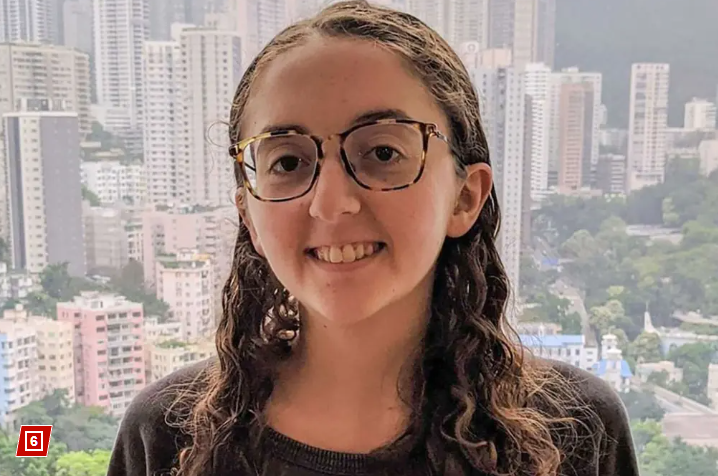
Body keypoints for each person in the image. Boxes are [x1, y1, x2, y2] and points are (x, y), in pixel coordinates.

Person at [107, 1, 639, 475]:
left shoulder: (571, 430)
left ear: (464, 197)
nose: (331, 202)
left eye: (383, 153)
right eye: (288, 162)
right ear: (248, 213)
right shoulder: (171, 436)